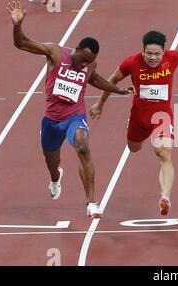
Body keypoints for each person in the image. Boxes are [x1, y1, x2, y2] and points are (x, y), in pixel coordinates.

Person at [7, 1, 130, 218]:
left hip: (75, 115)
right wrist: (17, 25)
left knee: (83, 147)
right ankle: (56, 177)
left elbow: (94, 79)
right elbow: (22, 43)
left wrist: (116, 90)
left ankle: (91, 203)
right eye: (83, 60)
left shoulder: (90, 64)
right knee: (51, 161)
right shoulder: (55, 53)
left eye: (89, 62)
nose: (85, 65)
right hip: (52, 120)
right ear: (77, 50)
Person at [89, 31, 178, 215]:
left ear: (164, 52)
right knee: (134, 147)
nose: (153, 58)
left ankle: (165, 197)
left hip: (161, 115)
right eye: (149, 53)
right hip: (138, 116)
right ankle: (136, 132)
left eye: (157, 54)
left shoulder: (172, 58)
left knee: (164, 153)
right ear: (143, 51)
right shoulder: (131, 62)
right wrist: (100, 104)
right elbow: (112, 80)